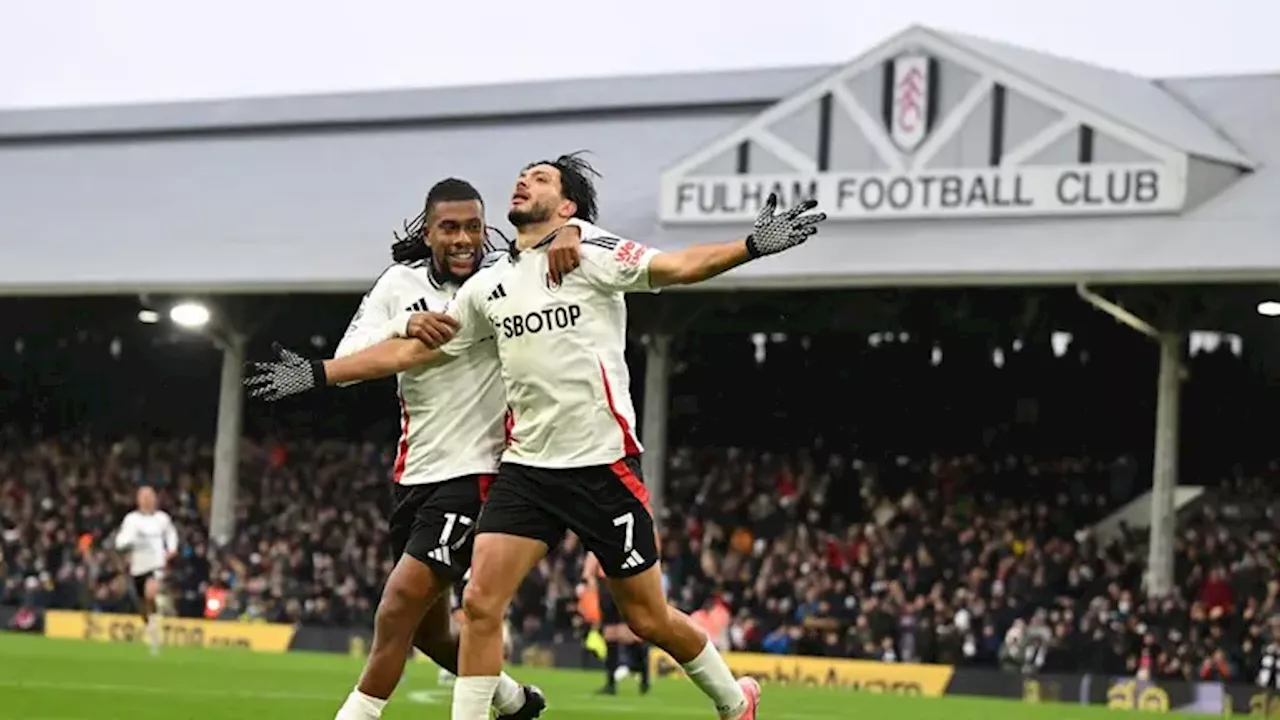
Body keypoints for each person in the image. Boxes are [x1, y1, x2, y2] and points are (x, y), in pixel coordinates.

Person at [244, 153, 825, 720]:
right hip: (526, 470)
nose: (523, 181)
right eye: (522, 175)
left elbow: (678, 266)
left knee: (647, 617)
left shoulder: (592, 252)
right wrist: (320, 372)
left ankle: (733, 701)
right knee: (478, 603)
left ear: (566, 203)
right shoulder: (488, 284)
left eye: (540, 178)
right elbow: (415, 349)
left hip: (603, 464)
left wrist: (750, 246)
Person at [318, 178, 581, 720]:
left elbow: (567, 240)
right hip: (415, 476)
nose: (464, 239)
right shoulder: (398, 283)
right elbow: (346, 360)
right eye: (450, 227)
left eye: (474, 227)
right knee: (428, 631)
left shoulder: (506, 276)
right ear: (429, 230)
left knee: (396, 606)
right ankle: (512, 701)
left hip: (480, 474)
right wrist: (404, 323)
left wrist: (570, 229)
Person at [113, 485, 178, 655]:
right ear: (138, 500)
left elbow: (171, 534)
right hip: (138, 566)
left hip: (156, 564)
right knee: (142, 603)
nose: (148, 500)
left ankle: (156, 633)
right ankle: (151, 627)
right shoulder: (132, 520)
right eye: (144, 496)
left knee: (150, 593)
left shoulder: (162, 519)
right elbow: (121, 540)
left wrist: (171, 549)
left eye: (150, 496)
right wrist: (126, 542)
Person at [584, 552, 650, 695]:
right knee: (612, 635)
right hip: (610, 585)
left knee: (626, 634)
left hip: (618, 583)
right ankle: (613, 683)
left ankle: (642, 675)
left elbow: (588, 571)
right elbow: (589, 572)